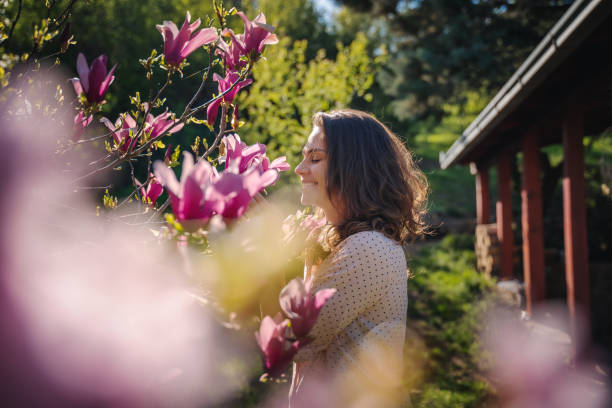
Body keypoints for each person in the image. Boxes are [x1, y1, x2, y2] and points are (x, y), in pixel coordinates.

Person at [289, 109, 429, 404]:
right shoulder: (349, 242)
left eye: (315, 159)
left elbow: (296, 342)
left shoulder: (366, 249)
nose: (299, 169)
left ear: (353, 168)